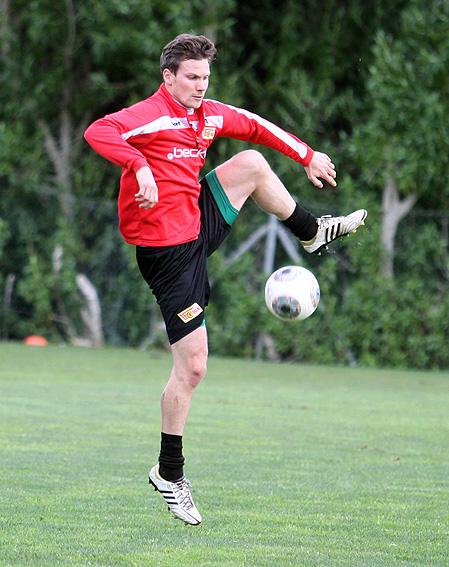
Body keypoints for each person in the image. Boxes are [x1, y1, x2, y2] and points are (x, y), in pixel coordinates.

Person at [84, 33, 367, 526]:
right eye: (191, 77)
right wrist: (138, 164)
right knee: (193, 368)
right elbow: (98, 131)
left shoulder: (208, 113)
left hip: (196, 220)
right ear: (168, 77)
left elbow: (256, 125)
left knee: (251, 164)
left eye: (206, 77)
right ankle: (169, 473)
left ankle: (311, 231)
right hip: (167, 254)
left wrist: (306, 155)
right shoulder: (149, 114)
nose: (200, 85)